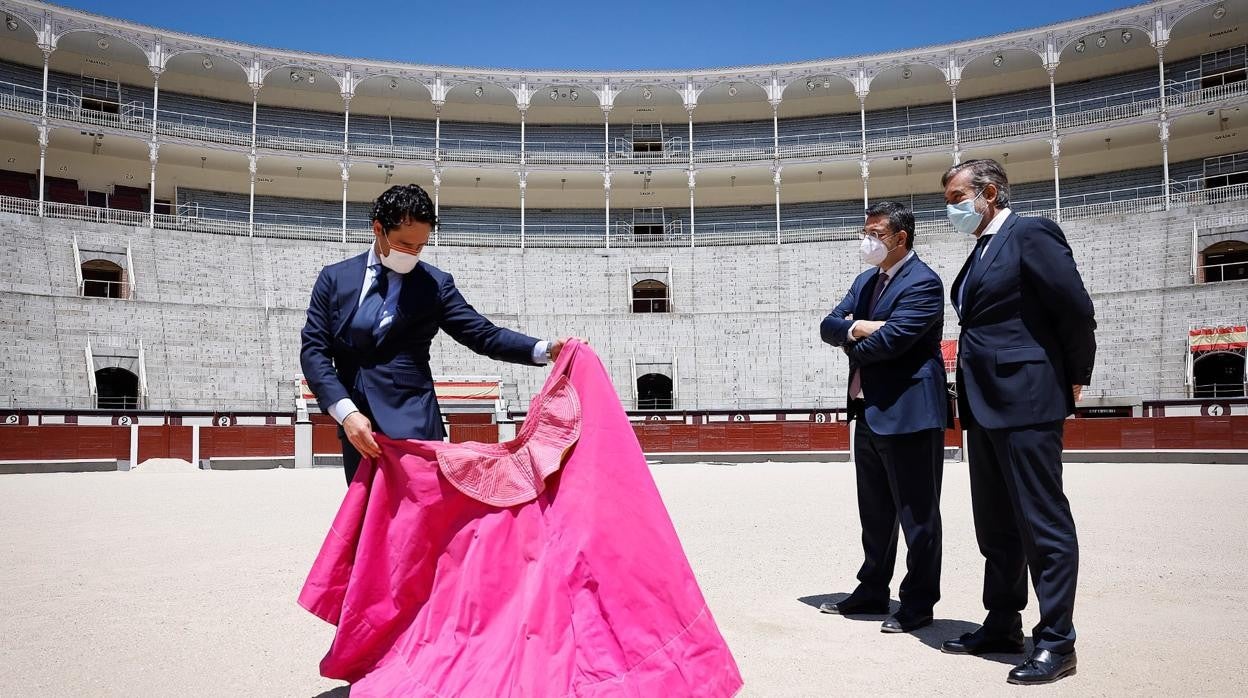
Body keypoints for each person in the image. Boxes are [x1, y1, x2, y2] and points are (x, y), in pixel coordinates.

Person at [300, 183, 575, 483]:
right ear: (378, 229)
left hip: (414, 420)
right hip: (357, 425)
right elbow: (314, 352)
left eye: (420, 246)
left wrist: (546, 349)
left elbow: (482, 334)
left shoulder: (435, 284)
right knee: (366, 518)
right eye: (405, 244)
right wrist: (346, 413)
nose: (413, 253)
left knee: (419, 522)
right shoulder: (334, 279)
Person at [941, 159, 1095, 685]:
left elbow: (1074, 308)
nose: (952, 208)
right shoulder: (981, 250)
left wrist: (1075, 376)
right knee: (996, 521)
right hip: (984, 403)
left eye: (957, 197)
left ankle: (1057, 641)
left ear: (989, 192)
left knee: (1040, 519)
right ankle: (1003, 620)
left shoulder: (1031, 233)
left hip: (1028, 396)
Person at [819, 201, 947, 635]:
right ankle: (873, 588)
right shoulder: (866, 280)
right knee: (874, 511)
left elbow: (893, 342)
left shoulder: (924, 282)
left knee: (918, 514)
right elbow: (828, 325)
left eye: (874, 233)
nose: (866, 240)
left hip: (910, 411)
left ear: (900, 239)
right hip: (869, 410)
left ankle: (918, 601)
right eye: (866, 231)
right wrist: (859, 327)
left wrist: (854, 336)